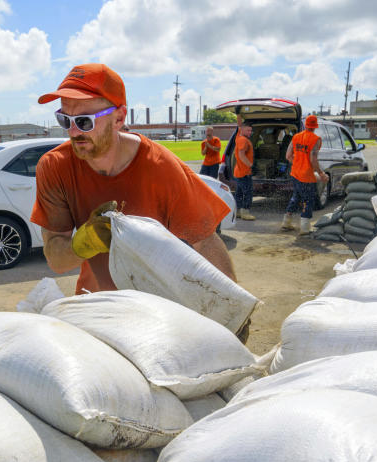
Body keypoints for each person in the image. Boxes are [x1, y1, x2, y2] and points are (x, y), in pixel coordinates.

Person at [30, 63, 236, 298]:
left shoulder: (160, 167)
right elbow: (56, 260)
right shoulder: (55, 166)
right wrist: (85, 242)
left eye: (85, 121)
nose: (74, 132)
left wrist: (234, 308)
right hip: (96, 305)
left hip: (158, 309)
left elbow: (205, 240)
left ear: (119, 118)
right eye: (65, 120)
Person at [283, 115, 326, 235]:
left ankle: (286, 222)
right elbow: (313, 159)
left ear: (306, 125)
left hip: (295, 173)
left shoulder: (296, 137)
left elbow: (288, 156)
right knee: (308, 200)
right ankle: (305, 228)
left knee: (296, 197)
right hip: (306, 176)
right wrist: (321, 173)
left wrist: (297, 164)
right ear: (315, 126)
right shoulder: (316, 139)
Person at [233, 124, 254, 220]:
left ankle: (237, 212)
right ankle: (245, 212)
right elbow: (241, 155)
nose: (250, 132)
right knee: (248, 193)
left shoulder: (238, 137)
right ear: (243, 130)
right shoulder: (243, 140)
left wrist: (238, 114)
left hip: (238, 172)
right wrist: (251, 165)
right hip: (244, 173)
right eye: (248, 130)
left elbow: (239, 125)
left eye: (251, 130)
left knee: (239, 193)